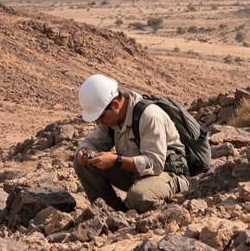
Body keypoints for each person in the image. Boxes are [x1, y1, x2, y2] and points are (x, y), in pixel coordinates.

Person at [74, 74, 189, 213]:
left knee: (138, 198)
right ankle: (111, 214)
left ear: (115, 105)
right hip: (137, 172)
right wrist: (84, 151)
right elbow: (93, 142)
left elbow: (155, 163)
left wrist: (116, 160)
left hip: (167, 172)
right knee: (83, 165)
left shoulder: (149, 117)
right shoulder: (110, 119)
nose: (97, 123)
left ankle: (167, 194)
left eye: (99, 117)